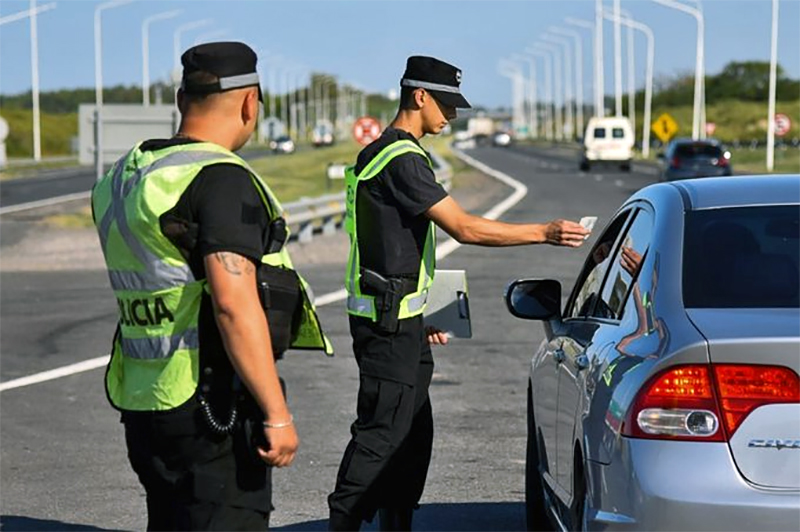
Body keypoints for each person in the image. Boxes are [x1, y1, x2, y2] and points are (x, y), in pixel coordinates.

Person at [328, 55, 590, 531]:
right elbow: (465, 228)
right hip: (386, 325)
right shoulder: (401, 158)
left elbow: (387, 244)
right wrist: (544, 232)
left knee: (411, 435)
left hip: (397, 318)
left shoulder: (386, 153)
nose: (450, 115)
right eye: (445, 104)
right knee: (382, 436)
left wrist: (417, 314)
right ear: (419, 96)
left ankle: (394, 520)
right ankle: (344, 520)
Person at [91, 41, 331, 531]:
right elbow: (232, 304)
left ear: (182, 101)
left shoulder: (123, 178)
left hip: (144, 397)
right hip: (210, 404)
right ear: (250, 103)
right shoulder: (218, 178)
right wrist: (276, 412)